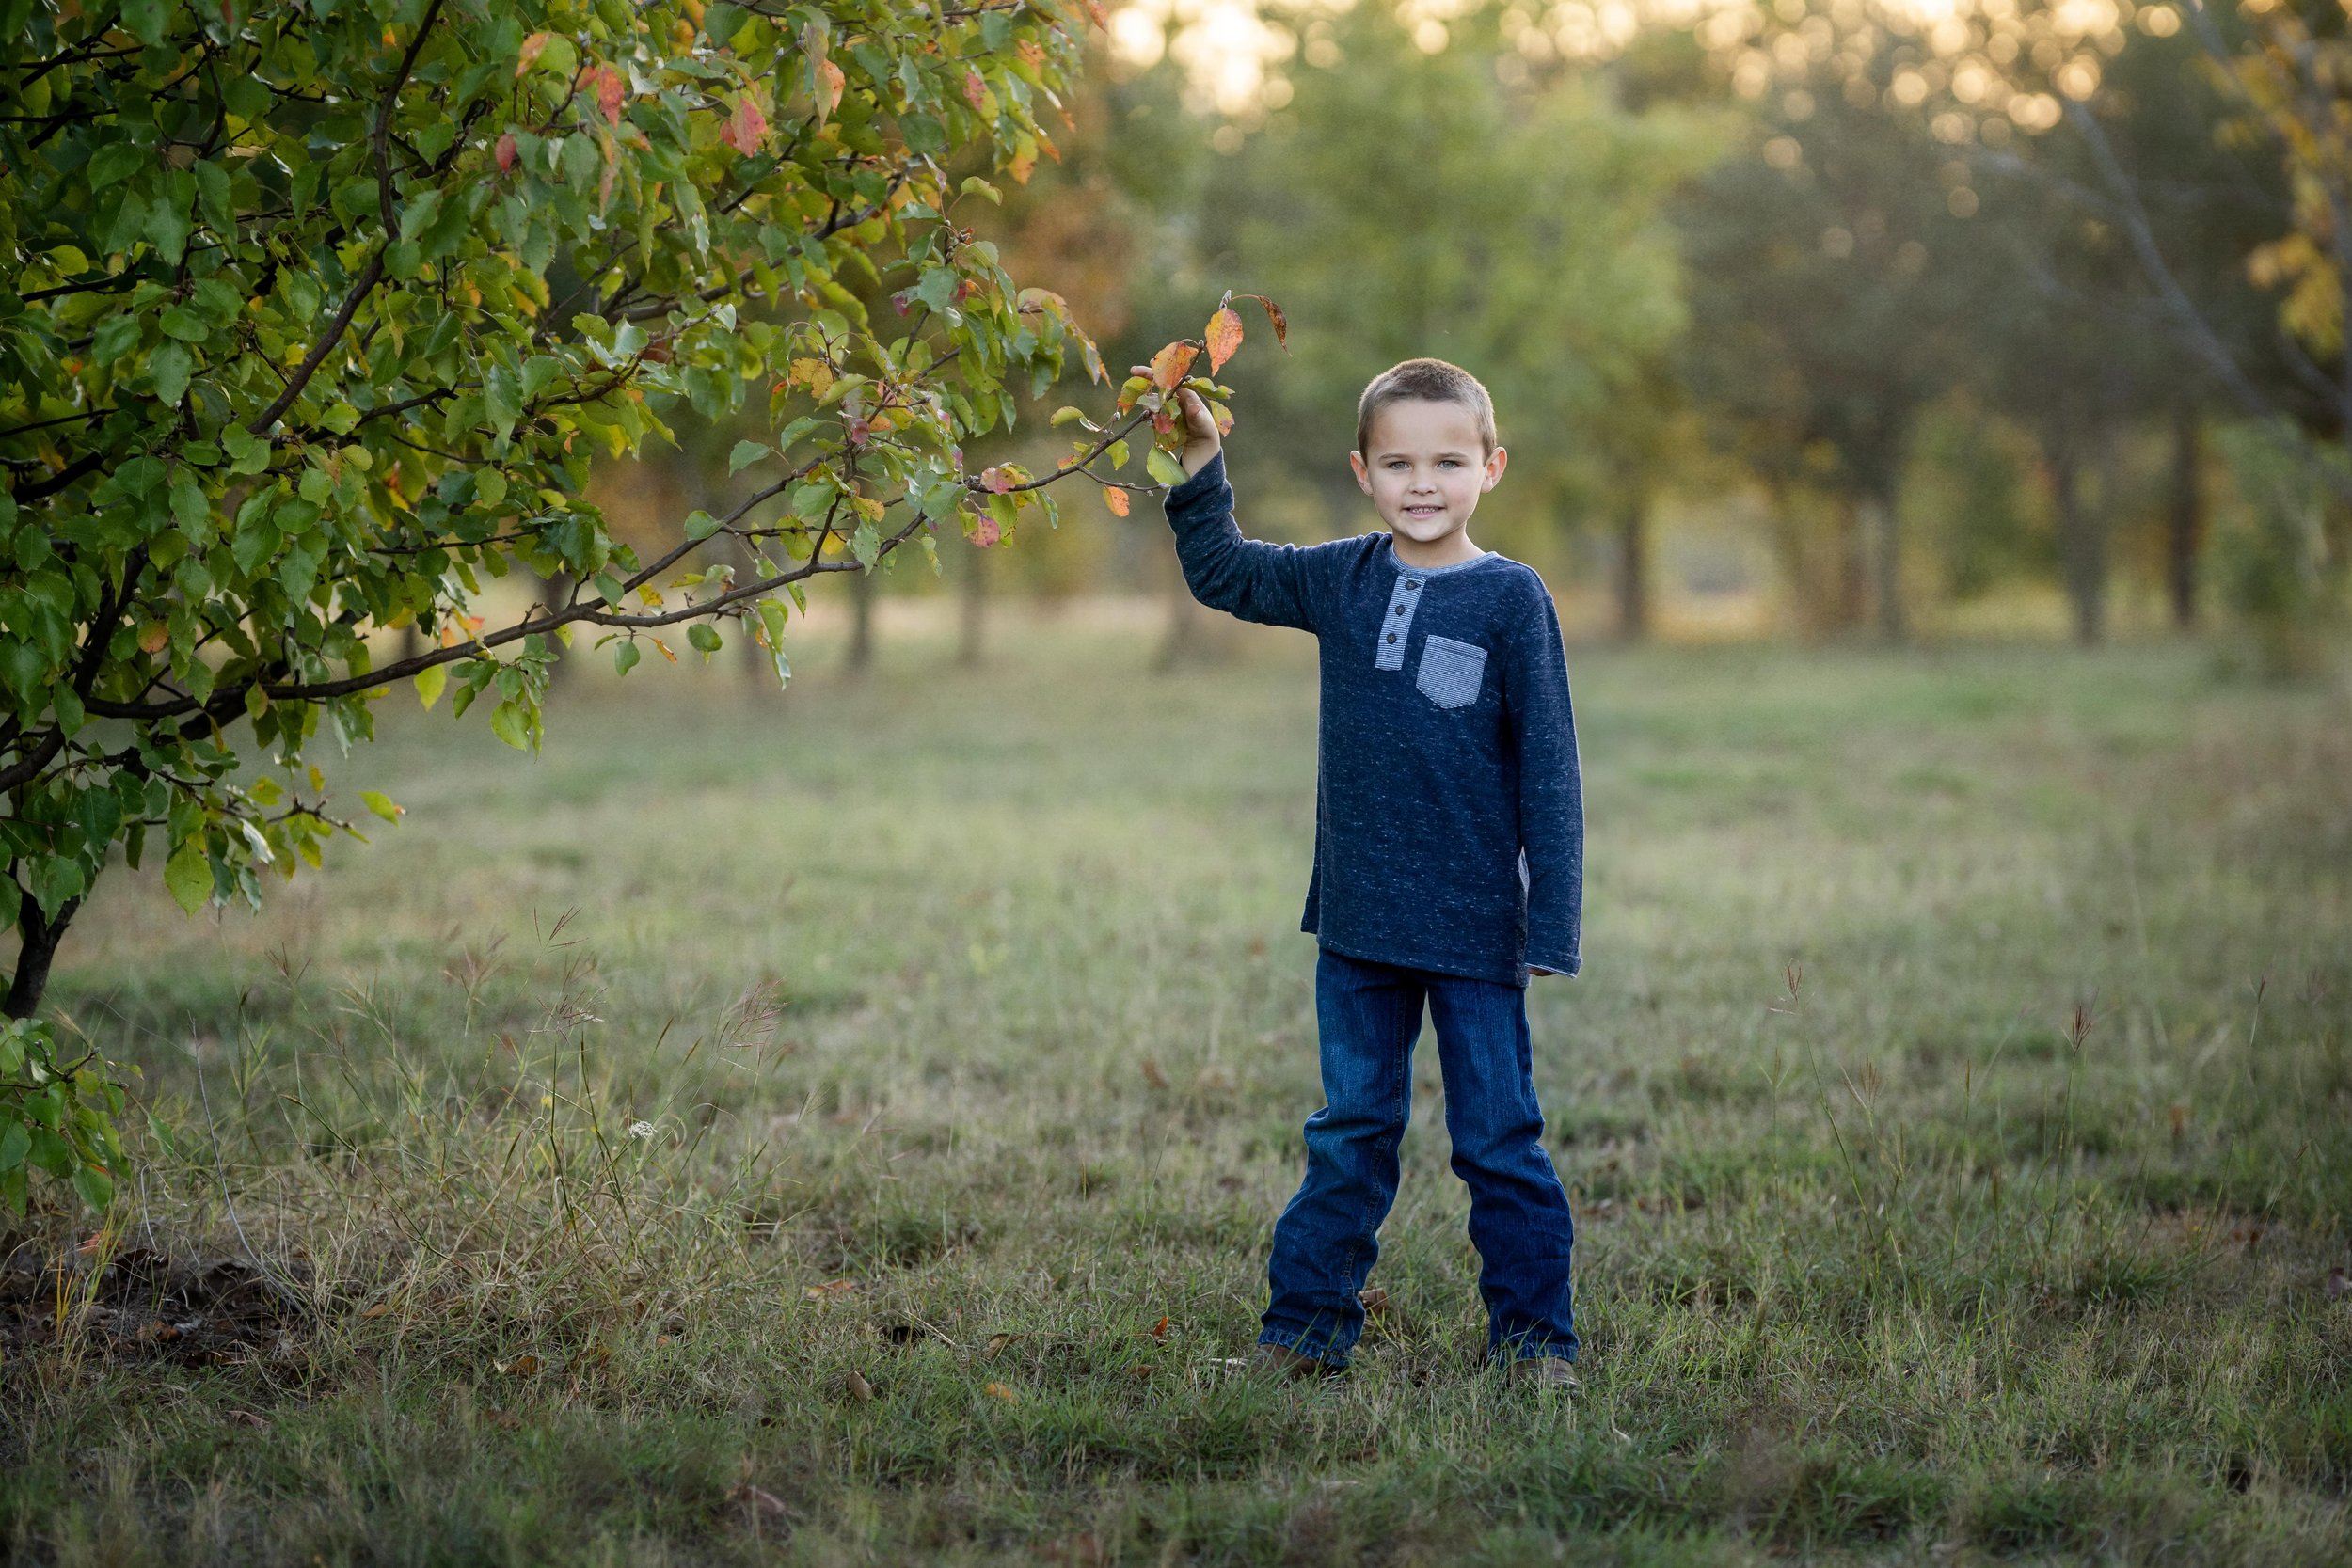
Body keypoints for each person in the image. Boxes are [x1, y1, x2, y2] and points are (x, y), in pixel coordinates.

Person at [1158, 357, 1583, 1389]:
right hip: (1355, 925)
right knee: (1350, 1134)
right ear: (1362, 470)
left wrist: (1551, 924)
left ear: (1492, 465)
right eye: (1398, 462)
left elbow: (1552, 772)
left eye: (1447, 460)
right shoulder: (1341, 580)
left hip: (1477, 930)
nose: (1423, 482)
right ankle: (1304, 1332)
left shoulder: (1510, 598)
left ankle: (1535, 1344)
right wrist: (1202, 459)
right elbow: (1226, 571)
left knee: (1498, 1141)